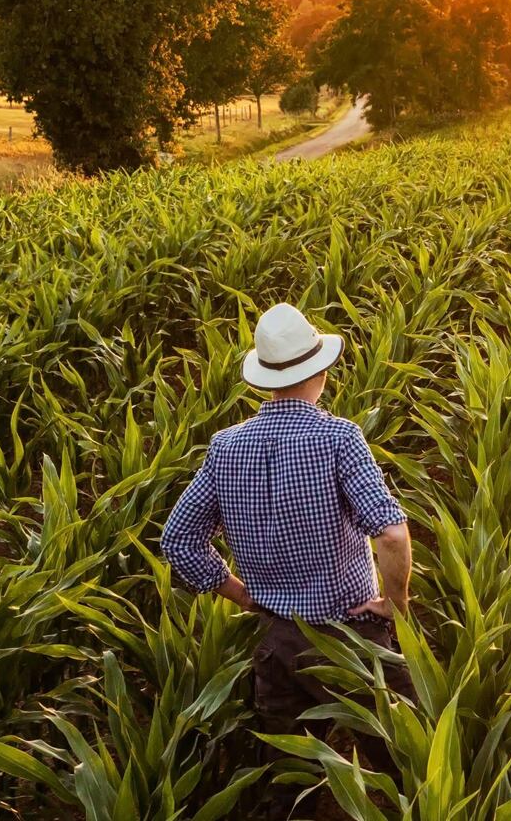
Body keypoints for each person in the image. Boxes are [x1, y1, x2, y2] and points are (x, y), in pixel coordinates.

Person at [161, 301, 413, 817]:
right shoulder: (339, 437)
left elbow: (178, 539)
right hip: (355, 636)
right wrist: (397, 605)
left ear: (265, 379)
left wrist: (241, 594)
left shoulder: (225, 447)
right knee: (404, 769)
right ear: (319, 370)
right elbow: (390, 533)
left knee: (292, 783)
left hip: (279, 643)